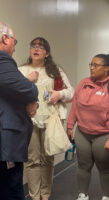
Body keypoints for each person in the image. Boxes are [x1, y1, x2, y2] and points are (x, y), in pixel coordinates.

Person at [19, 37, 74, 200]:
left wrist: (59, 94)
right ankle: (35, 195)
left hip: (51, 120)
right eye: (33, 46)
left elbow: (71, 92)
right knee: (31, 160)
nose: (36, 49)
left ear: (47, 53)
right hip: (29, 120)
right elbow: (13, 91)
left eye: (41, 47)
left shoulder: (55, 71)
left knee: (48, 159)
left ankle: (45, 194)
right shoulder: (22, 70)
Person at [67, 54, 109, 200]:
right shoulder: (83, 83)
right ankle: (83, 194)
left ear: (106, 68)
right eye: (91, 64)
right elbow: (75, 106)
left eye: (96, 65)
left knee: (105, 168)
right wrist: (70, 126)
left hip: (104, 134)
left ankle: (106, 196)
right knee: (83, 165)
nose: (92, 68)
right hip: (82, 132)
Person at [0, 22, 38, 200]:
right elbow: (27, 90)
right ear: (4, 38)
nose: (15, 47)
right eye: (15, 42)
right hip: (5, 143)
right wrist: (30, 89)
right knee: (11, 188)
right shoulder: (2, 60)